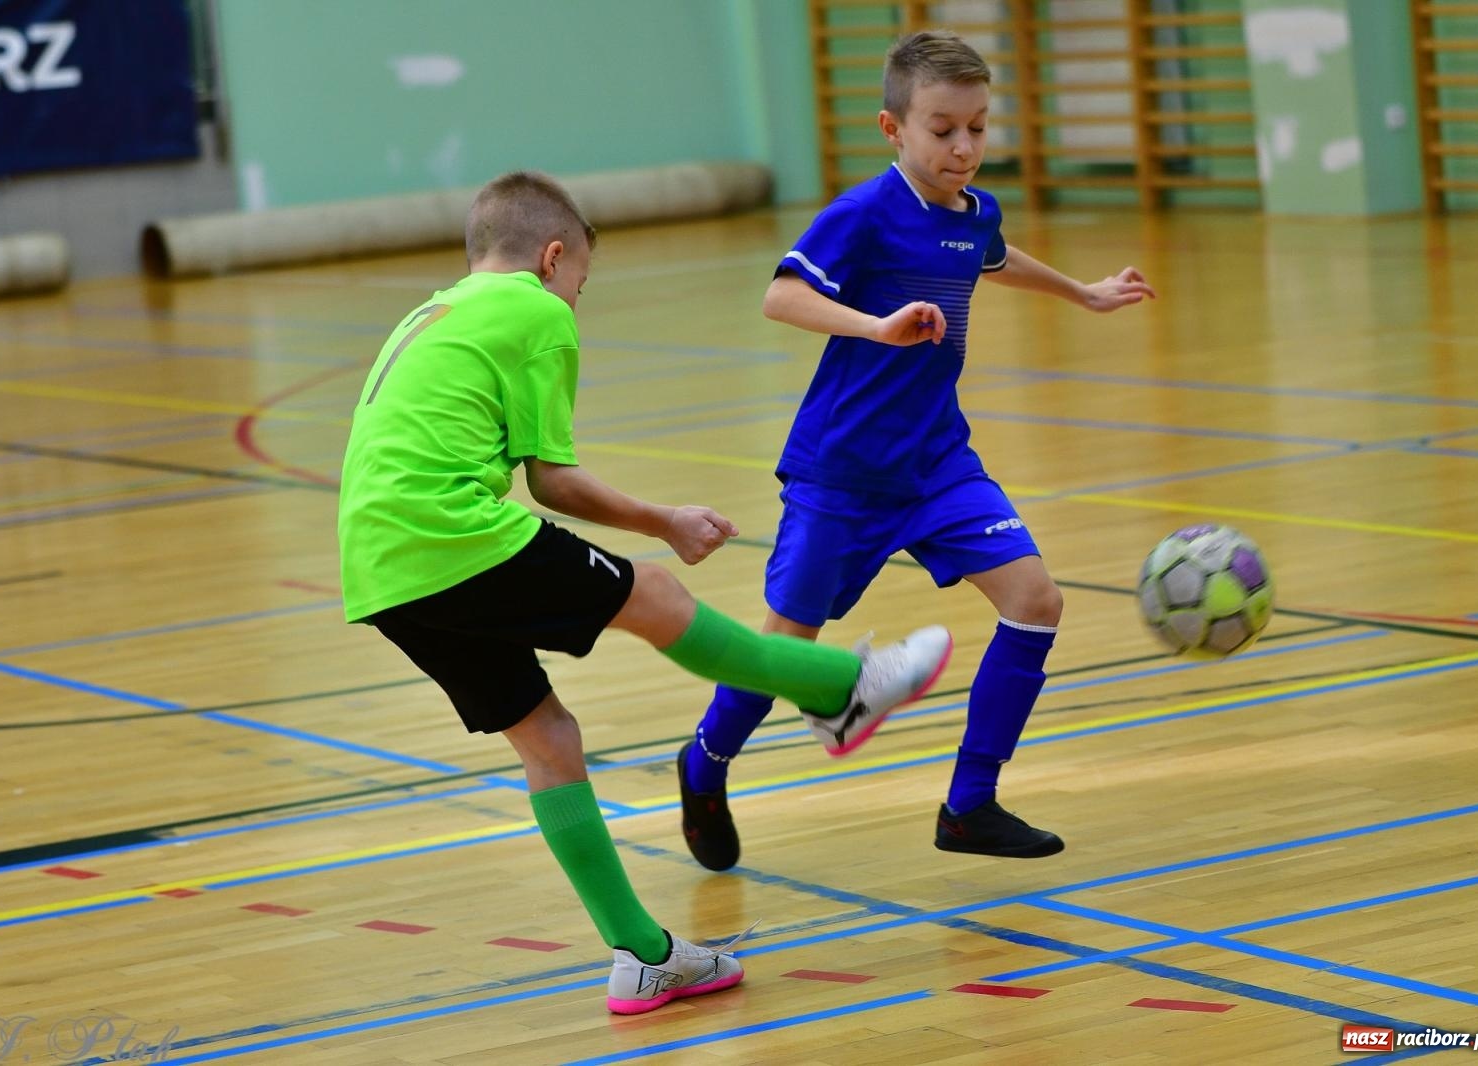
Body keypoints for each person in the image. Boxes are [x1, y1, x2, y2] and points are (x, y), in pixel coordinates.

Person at [337, 170, 953, 1014]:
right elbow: (552, 482)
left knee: (549, 739)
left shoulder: (433, 310)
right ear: (554, 258)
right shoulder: (536, 310)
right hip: (447, 534)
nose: (577, 300)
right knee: (655, 594)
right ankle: (840, 691)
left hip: (377, 571)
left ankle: (644, 955)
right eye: (582, 283)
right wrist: (662, 519)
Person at [677, 30, 1156, 873]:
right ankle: (705, 764)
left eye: (977, 126)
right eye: (943, 129)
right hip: (843, 471)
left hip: (938, 462)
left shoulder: (976, 212)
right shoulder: (862, 213)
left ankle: (970, 805)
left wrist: (1083, 292)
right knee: (789, 640)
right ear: (893, 128)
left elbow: (993, 255)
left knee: (1036, 601)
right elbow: (780, 296)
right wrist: (876, 326)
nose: (964, 146)